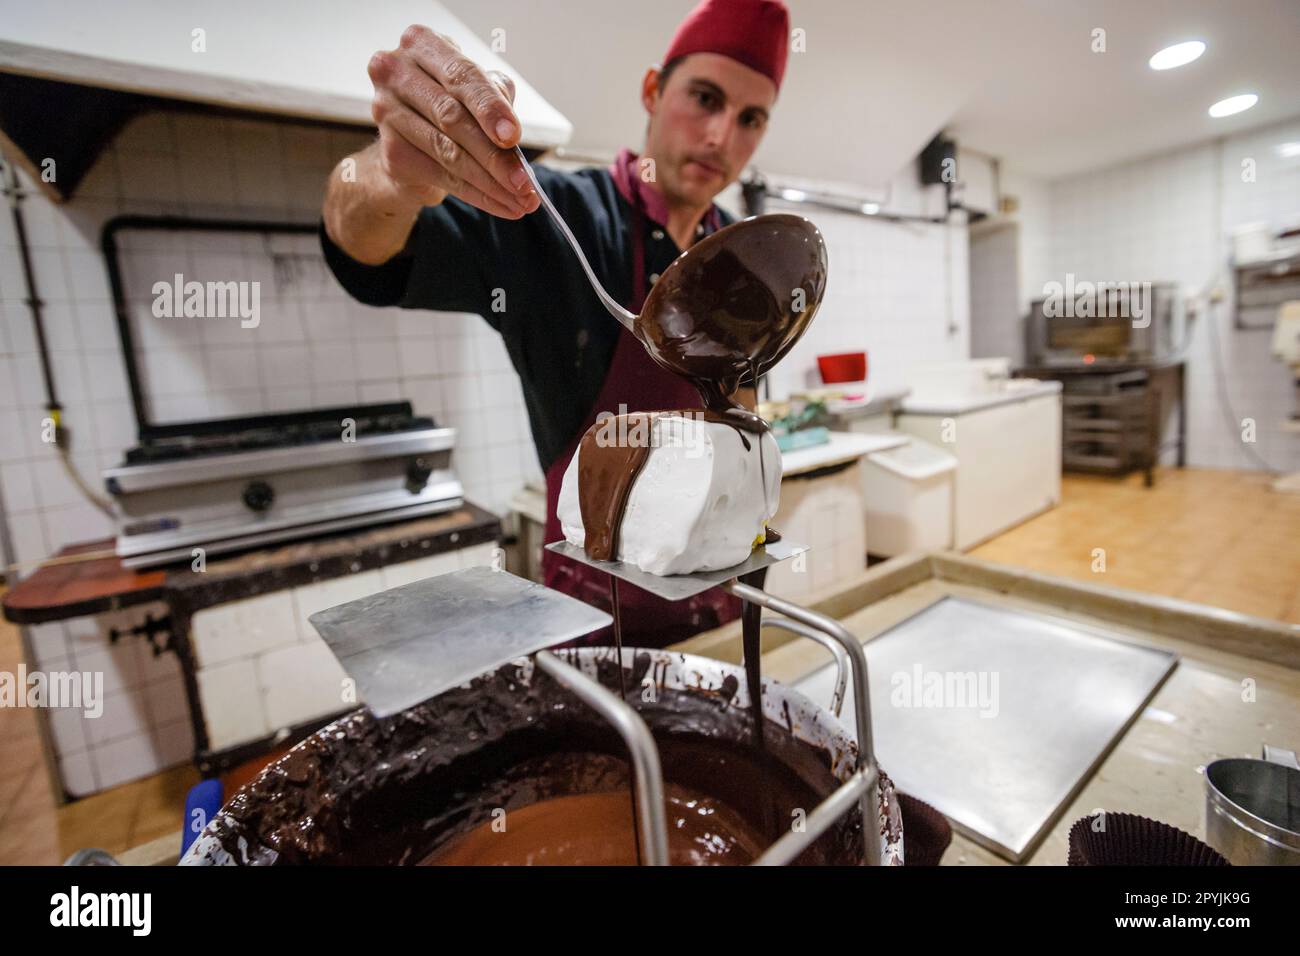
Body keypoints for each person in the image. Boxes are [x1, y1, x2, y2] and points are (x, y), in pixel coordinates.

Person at [320, 0, 791, 647]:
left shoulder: (738, 265)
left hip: (717, 616)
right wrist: (391, 176)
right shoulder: (552, 217)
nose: (721, 137)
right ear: (653, 91)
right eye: (704, 98)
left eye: (750, 119)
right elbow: (367, 253)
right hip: (593, 623)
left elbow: (743, 425)